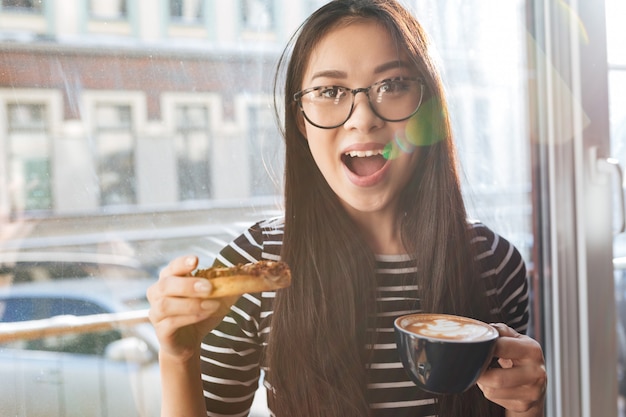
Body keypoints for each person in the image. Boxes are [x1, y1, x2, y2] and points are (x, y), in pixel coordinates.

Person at [147, 1, 547, 416]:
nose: (362, 118)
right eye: (330, 91)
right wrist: (178, 358)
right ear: (300, 119)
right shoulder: (257, 264)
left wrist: (528, 407)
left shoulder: (495, 265)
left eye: (392, 85)